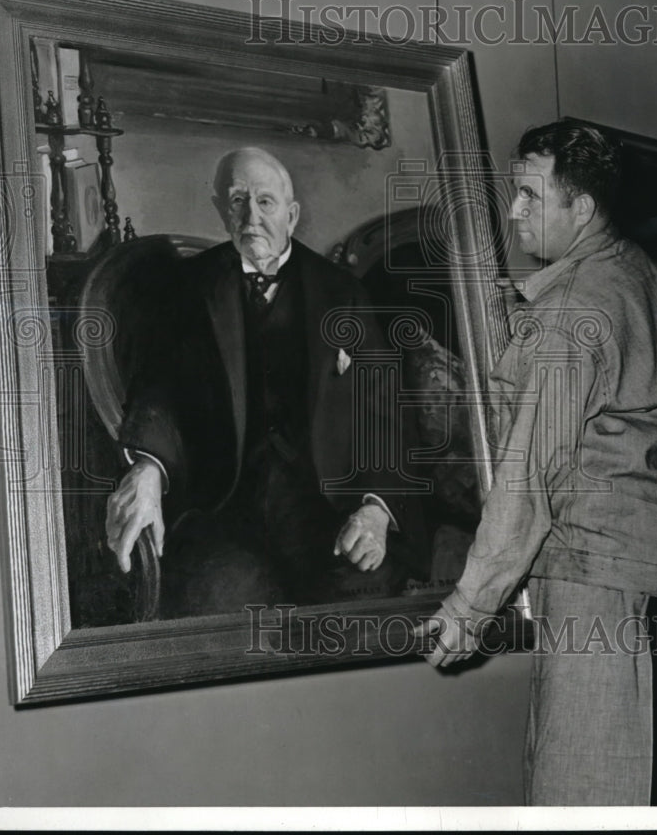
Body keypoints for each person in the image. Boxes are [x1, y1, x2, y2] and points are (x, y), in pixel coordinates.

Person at [414, 121, 657, 806]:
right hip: (648, 566)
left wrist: (469, 605)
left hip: (595, 573)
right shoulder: (635, 276)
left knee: (580, 792)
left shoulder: (571, 311)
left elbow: (528, 475)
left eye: (531, 196)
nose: (514, 212)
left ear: (581, 208)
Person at [106, 146, 424, 616]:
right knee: (214, 610)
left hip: (329, 508)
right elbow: (161, 388)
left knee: (360, 610)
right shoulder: (188, 288)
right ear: (221, 209)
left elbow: (384, 413)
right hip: (226, 508)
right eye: (238, 201)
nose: (251, 216)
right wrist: (148, 468)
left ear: (291, 215)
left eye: (266, 202)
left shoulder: (341, 292)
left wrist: (376, 508)